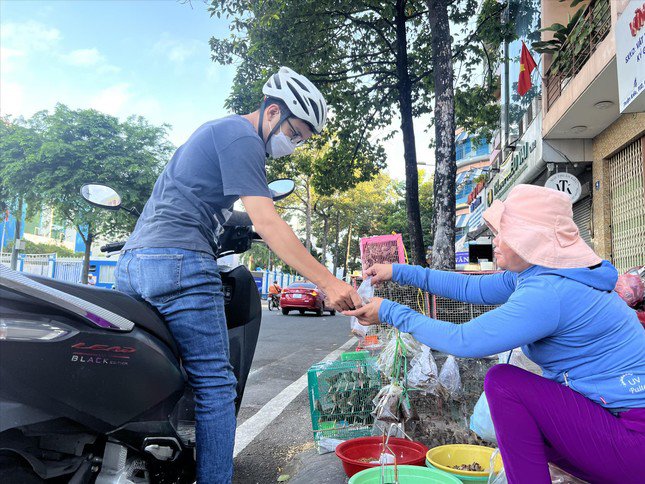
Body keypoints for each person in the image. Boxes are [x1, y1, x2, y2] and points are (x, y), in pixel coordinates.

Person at [114, 66, 362, 483]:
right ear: (271, 113)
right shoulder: (243, 137)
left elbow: (226, 212)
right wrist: (328, 281)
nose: (294, 145)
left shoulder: (218, 135)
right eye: (295, 133)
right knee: (215, 387)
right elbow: (269, 222)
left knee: (153, 374)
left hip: (134, 263)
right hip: (179, 262)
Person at [344, 184, 645, 484]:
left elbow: (464, 341)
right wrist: (399, 271)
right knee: (523, 418)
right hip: (615, 427)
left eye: (505, 234)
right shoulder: (540, 273)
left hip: (633, 438)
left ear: (533, 242)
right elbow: (469, 288)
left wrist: (390, 312)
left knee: (503, 384)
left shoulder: (549, 291)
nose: (495, 242)